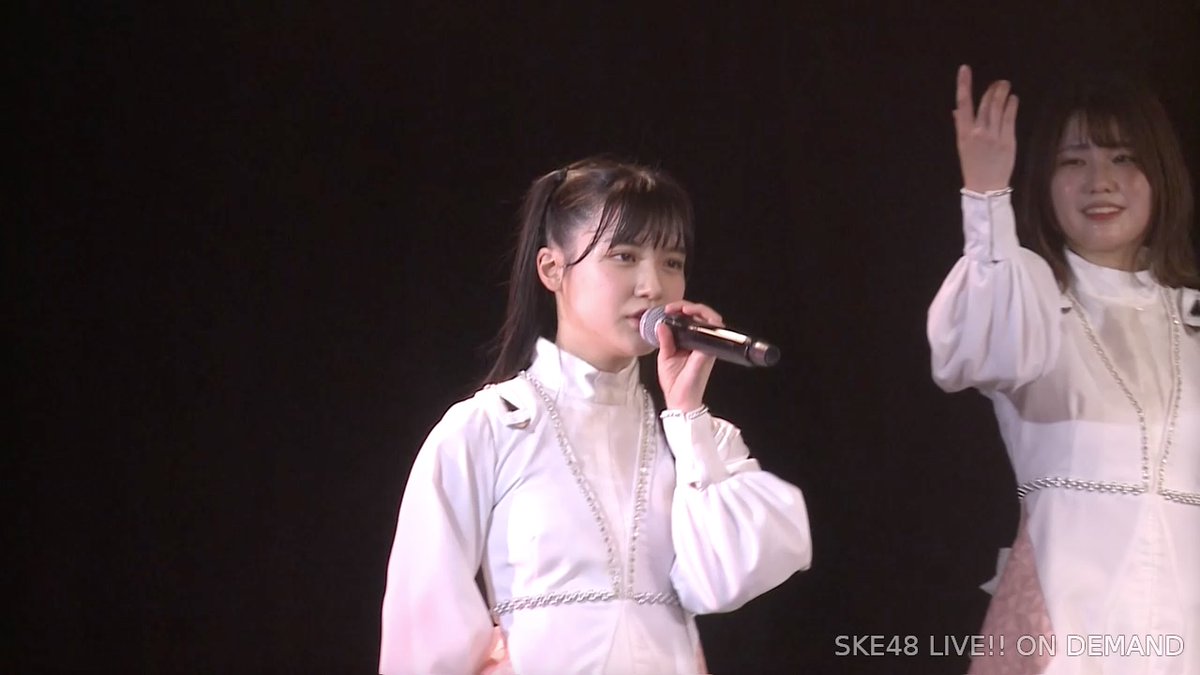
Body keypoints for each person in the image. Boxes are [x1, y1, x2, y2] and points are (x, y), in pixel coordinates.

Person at [379, 155, 812, 674]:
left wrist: (686, 412)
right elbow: (422, 630)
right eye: (625, 256)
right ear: (552, 269)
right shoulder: (489, 427)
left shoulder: (701, 438)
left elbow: (721, 581)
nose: (653, 286)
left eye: (672, 262)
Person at [928, 65, 1200, 674]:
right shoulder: (1030, 300)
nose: (1100, 181)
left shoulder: (1191, 317)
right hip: (1066, 635)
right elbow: (971, 351)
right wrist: (986, 199)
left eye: (1123, 157)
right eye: (1074, 161)